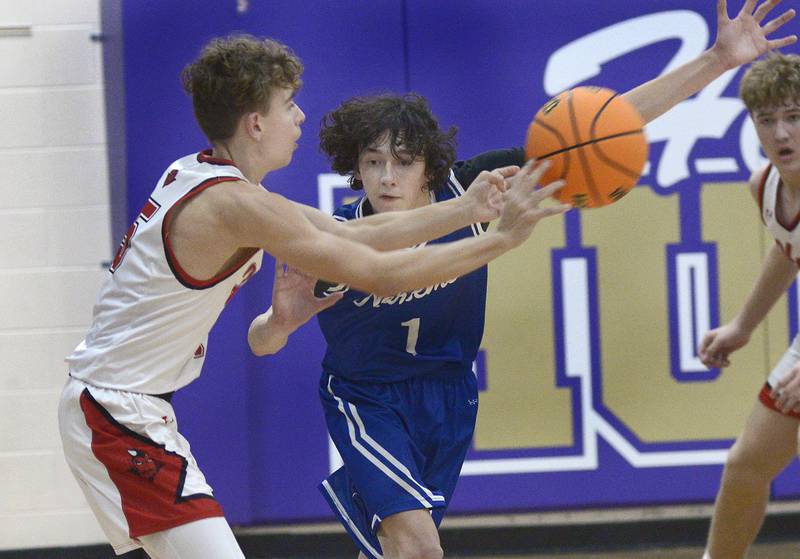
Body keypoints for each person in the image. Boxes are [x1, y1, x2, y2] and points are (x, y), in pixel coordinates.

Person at [248, 2, 797, 558]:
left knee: (397, 551)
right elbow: (261, 341)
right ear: (355, 167)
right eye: (373, 162)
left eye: (404, 162)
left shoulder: (474, 191)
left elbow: (603, 131)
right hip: (367, 400)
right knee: (418, 548)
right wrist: (281, 323)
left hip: (450, 395)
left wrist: (716, 59)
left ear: (431, 168)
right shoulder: (335, 236)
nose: (387, 177)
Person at [57, 34, 570, 559]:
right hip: (118, 412)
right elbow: (379, 273)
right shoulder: (235, 205)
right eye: (289, 105)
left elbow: (349, 236)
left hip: (125, 407)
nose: (301, 117)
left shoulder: (207, 177)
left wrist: (467, 211)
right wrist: (504, 238)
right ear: (256, 123)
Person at [698, 50, 800, 559]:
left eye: (794, 117)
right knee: (746, 465)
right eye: (768, 120)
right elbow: (790, 250)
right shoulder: (765, 186)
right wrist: (742, 325)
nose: (781, 133)